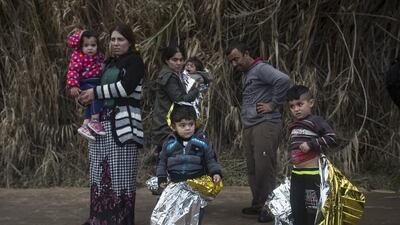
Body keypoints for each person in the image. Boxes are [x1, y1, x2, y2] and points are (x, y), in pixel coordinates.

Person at [78, 23, 145, 225]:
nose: (115, 43)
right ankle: (99, 219)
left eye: (120, 40)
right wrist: (83, 96)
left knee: (120, 175)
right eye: (113, 39)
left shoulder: (135, 61)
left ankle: (119, 220)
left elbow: (125, 88)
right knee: (99, 172)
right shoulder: (107, 63)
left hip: (123, 125)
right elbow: (91, 86)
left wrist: (95, 93)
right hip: (100, 125)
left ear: (130, 43)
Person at [226, 41, 291, 222]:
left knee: (264, 167)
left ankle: (270, 207)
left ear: (247, 53)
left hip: (266, 124)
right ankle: (259, 204)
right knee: (253, 167)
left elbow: (283, 80)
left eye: (236, 59)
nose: (234, 64)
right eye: (231, 61)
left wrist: (272, 104)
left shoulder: (261, 68)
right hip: (251, 126)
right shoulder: (248, 73)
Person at [153, 103, 222, 225]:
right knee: (172, 215)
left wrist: (215, 172)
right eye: (182, 125)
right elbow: (162, 162)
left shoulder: (202, 143)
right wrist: (161, 177)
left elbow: (211, 160)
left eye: (191, 124)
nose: (187, 128)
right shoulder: (168, 144)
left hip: (195, 186)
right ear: (174, 126)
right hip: (175, 184)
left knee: (195, 215)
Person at [286, 85, 337, 225]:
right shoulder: (294, 125)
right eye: (292, 106)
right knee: (296, 207)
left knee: (312, 209)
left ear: (311, 103)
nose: (296, 109)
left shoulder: (316, 121)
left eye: (300, 104)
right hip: (297, 174)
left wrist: (311, 144)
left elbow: (332, 137)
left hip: (312, 175)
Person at [151, 46, 200, 155]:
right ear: (166, 60)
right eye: (174, 60)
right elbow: (180, 100)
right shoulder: (169, 76)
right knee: (170, 159)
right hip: (166, 124)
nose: (178, 63)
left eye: (181, 60)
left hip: (167, 122)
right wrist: (197, 90)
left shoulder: (173, 74)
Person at [66, 29, 105, 141]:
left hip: (96, 81)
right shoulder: (79, 56)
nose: (90, 48)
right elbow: (73, 70)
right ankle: (94, 121)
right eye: (86, 45)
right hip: (86, 82)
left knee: (90, 102)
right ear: (81, 46)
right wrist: (73, 85)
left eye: (93, 45)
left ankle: (85, 125)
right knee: (96, 95)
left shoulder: (99, 56)